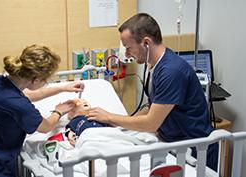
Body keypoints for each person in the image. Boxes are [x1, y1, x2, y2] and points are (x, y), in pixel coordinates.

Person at [86, 13, 218, 171]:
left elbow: (151, 123)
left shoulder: (171, 71)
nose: (127, 55)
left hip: (196, 150)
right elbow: (152, 107)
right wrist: (121, 126)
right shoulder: (154, 66)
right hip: (175, 144)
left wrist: (109, 116)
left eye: (128, 48)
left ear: (146, 43)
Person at [0, 44, 84, 177]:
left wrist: (63, 88)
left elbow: (29, 94)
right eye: (46, 81)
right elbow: (46, 126)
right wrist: (59, 111)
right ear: (36, 79)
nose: (45, 83)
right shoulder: (20, 106)